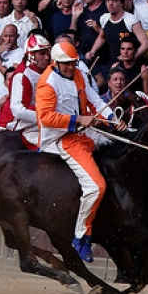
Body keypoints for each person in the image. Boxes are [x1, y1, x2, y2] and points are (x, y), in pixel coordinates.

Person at [35, 41, 120, 262]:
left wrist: (111, 117)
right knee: (96, 186)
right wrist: (78, 119)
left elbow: (92, 97)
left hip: (84, 132)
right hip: (64, 138)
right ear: (56, 63)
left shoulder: (79, 73)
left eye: (72, 64)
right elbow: (46, 117)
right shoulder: (47, 83)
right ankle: (81, 235)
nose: (70, 68)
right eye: (65, 65)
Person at [0, 33, 52, 149]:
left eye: (48, 53)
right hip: (27, 127)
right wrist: (46, 117)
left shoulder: (50, 69)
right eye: (42, 54)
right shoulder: (22, 75)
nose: (47, 57)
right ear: (31, 55)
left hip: (49, 122)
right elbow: (18, 109)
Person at [87, 0, 148, 70]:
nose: (110, 3)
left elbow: (146, 43)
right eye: (108, 0)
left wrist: (131, 59)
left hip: (132, 66)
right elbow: (102, 36)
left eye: (114, 0)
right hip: (113, 64)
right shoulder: (104, 18)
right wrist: (93, 51)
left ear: (122, 2)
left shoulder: (131, 20)